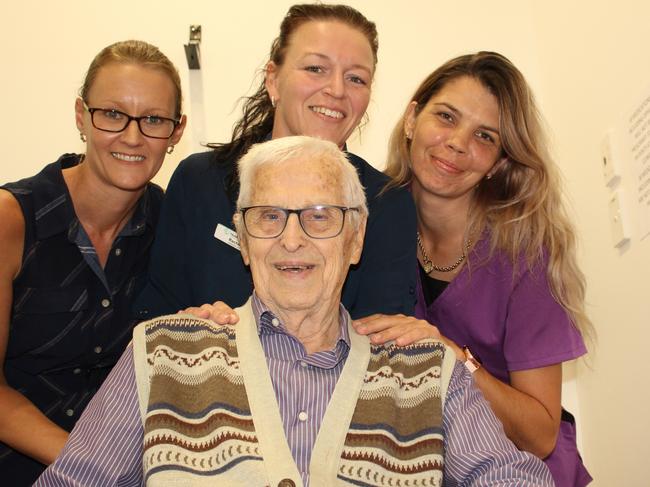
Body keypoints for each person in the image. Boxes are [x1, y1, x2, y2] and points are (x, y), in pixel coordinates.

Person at [37, 136, 553, 486]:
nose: (291, 239)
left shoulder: (424, 371)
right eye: (267, 216)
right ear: (242, 240)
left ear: (356, 240)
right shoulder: (163, 354)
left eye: (320, 216)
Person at [352, 51, 593, 486]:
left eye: (484, 136)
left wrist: (451, 355)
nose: (458, 143)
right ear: (412, 120)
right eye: (445, 117)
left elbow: (540, 435)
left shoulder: (524, 255)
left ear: (499, 162)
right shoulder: (366, 221)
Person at [134, 3, 416, 322]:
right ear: (273, 79)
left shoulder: (386, 206)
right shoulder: (199, 182)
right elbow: (157, 314)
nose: (337, 90)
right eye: (315, 69)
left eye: (356, 78)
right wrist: (192, 323)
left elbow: (381, 341)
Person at [0, 40, 186, 484]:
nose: (133, 136)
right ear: (81, 115)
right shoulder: (12, 220)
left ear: (176, 132)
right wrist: (89, 466)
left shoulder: (173, 225)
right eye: (113, 114)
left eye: (154, 120)